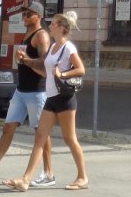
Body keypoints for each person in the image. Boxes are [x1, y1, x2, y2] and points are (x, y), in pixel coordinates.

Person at [0, 1, 55, 186]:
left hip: (37, 92)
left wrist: (26, 61)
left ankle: (49, 173)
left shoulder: (41, 36)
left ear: (38, 16)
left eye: (28, 13)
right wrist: (23, 61)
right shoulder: (28, 34)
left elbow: (45, 66)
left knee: (41, 133)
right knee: (8, 128)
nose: (24, 16)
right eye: (24, 12)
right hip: (21, 90)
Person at [5, 10, 87, 191]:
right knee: (40, 137)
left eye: (53, 24)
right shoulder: (52, 47)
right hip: (50, 98)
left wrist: (62, 74)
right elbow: (45, 70)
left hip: (64, 99)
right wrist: (25, 60)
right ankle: (25, 180)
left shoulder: (68, 47)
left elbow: (81, 69)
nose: (49, 25)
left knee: (69, 138)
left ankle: (82, 177)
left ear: (61, 28)